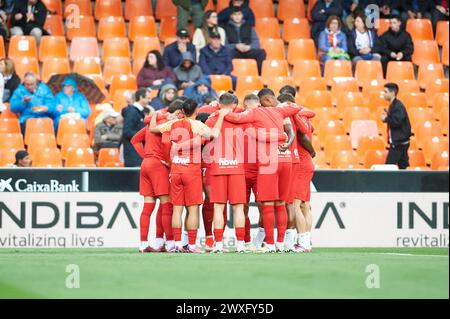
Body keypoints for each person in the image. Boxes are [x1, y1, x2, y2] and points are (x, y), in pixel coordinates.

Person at [223, 88, 306, 253]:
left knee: (268, 205)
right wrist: (281, 135)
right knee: (281, 203)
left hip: (268, 162)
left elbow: (234, 117)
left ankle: (269, 244)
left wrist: (220, 110)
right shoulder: (281, 110)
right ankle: (280, 244)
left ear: (262, 101)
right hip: (285, 160)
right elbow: (299, 108)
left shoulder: (255, 113)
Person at [150, 98, 230, 253]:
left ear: (182, 111)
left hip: (176, 170)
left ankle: (178, 244)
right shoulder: (198, 125)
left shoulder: (173, 124)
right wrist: (220, 116)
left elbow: (153, 129)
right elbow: (214, 134)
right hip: (191, 171)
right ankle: (192, 245)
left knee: (177, 209)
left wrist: (155, 114)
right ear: (196, 111)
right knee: (193, 209)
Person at [131, 100, 185, 253]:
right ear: (179, 112)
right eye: (181, 114)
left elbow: (134, 140)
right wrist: (169, 162)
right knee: (166, 206)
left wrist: (146, 156)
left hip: (146, 165)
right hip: (158, 166)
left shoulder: (152, 122)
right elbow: (166, 142)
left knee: (148, 206)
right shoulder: (167, 123)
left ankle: (143, 244)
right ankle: (169, 243)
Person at [204, 93, 248, 253]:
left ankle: (218, 244)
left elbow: (210, 135)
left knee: (218, 208)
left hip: (218, 168)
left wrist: (218, 114)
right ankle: (241, 244)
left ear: (219, 104)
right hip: (237, 167)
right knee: (238, 208)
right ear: (235, 104)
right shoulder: (241, 119)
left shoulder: (211, 119)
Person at [224, 6, 266, 74]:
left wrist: (249, 47)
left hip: (247, 50)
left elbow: (256, 43)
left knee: (261, 53)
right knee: (226, 53)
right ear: (231, 16)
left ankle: (259, 75)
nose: (237, 17)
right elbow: (225, 45)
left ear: (242, 15)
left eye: (239, 14)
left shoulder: (249, 27)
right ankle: (229, 75)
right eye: (235, 14)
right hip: (235, 51)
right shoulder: (226, 28)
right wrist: (236, 46)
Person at [381, 83, 412, 169]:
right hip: (401, 142)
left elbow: (397, 122)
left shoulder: (398, 106)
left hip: (399, 143)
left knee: (388, 168)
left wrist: (386, 119)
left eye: (385, 91)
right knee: (403, 167)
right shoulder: (394, 105)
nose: (383, 94)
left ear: (392, 93)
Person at [121, 88, 153, 167]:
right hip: (133, 154)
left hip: (138, 153)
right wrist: (144, 135)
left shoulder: (138, 112)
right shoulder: (132, 112)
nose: (150, 101)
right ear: (141, 97)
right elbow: (127, 132)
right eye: (148, 98)